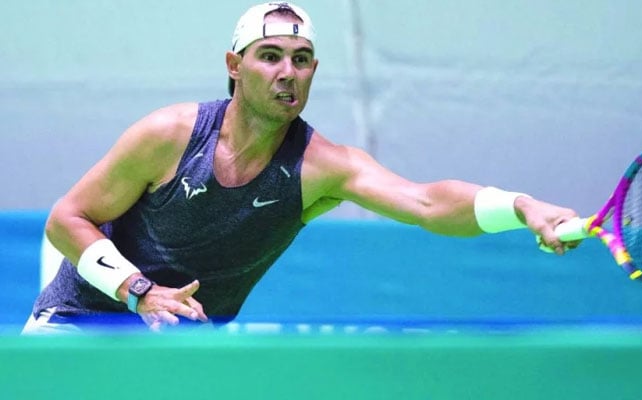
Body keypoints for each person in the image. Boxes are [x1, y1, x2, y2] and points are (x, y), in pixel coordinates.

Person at [22, 2, 579, 334]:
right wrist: (141, 292)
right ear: (234, 66)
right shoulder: (170, 135)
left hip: (182, 345)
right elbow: (66, 219)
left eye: (302, 59)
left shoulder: (322, 167)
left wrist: (522, 206)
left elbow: (428, 202)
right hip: (79, 321)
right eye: (270, 57)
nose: (288, 72)